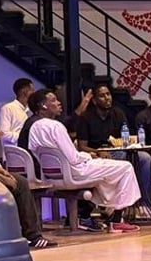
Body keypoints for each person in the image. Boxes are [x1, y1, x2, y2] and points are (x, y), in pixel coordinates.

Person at [26, 88, 141, 234]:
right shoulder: (55, 126)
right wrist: (90, 156)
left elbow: (37, 152)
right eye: (54, 100)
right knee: (125, 167)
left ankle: (104, 211)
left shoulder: (34, 127)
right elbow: (73, 157)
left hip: (52, 176)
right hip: (74, 172)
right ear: (43, 105)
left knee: (111, 172)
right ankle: (116, 219)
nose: (59, 102)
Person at [0, 122, 56, 249]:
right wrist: (1, 177)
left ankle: (32, 236)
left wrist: (2, 170)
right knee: (10, 184)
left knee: (20, 182)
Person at [0, 78, 34, 144]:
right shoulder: (8, 108)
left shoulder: (30, 109)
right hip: (14, 150)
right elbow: (4, 134)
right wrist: (24, 137)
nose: (34, 93)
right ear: (24, 92)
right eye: (32, 90)